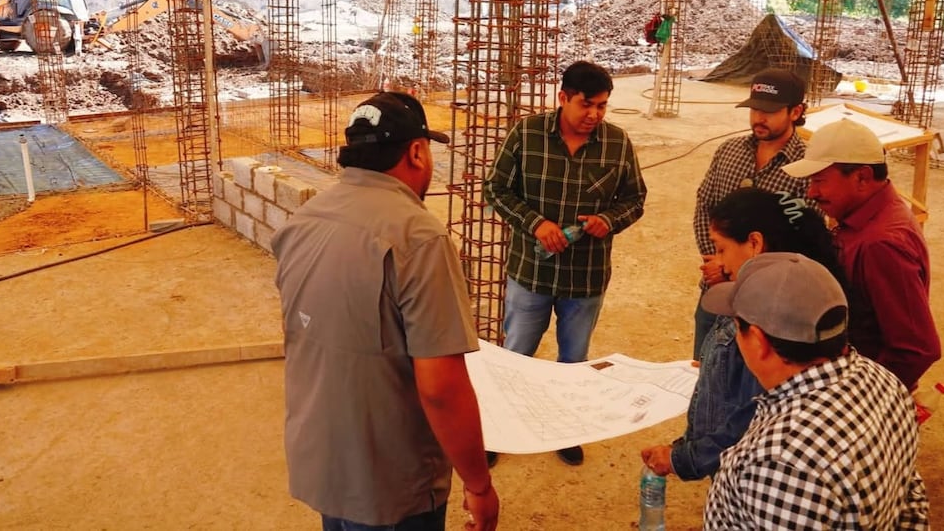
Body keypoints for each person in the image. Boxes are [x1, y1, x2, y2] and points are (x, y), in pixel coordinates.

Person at [271, 91, 499, 531]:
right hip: (392, 485)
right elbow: (440, 388)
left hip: (324, 460)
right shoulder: (419, 237)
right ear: (416, 152)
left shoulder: (303, 221)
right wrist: (479, 484)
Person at [483, 60, 646, 467]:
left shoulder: (617, 143)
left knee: (574, 363)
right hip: (530, 273)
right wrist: (536, 224)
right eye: (586, 104)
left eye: (603, 106)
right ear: (563, 98)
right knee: (516, 356)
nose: (594, 114)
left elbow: (635, 200)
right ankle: (498, 429)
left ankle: (566, 431)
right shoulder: (527, 134)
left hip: (585, 277)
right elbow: (495, 188)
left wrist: (607, 221)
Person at [700, 253, 929, 528]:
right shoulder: (885, 383)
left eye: (738, 327)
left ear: (759, 341)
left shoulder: (781, 464)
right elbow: (910, 501)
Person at [641, 187, 843, 481]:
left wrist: (681, 458)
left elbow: (747, 418)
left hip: (740, 472)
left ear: (754, 243)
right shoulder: (806, 296)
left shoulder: (762, 318)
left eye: (721, 248)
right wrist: (714, 368)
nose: (718, 262)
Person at [783, 117, 941, 391]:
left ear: (862, 177)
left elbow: (917, 349)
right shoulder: (866, 218)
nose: (811, 192)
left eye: (820, 180)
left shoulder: (881, 243)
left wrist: (860, 400)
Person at [692, 67, 809, 358]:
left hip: (768, 305)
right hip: (715, 290)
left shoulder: (807, 167)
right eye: (754, 109)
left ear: (796, 112)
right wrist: (719, 263)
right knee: (704, 375)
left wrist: (739, 274)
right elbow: (704, 207)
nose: (758, 118)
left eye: (769, 111)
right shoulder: (728, 151)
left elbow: (801, 238)